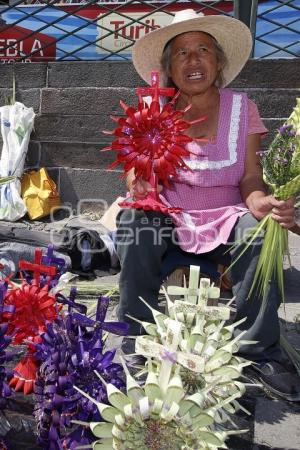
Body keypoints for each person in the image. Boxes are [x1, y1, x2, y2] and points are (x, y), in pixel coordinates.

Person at [115, 9, 300, 401]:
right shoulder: (155, 109)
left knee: (257, 232)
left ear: (218, 64)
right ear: (168, 68)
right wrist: (139, 181)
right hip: (170, 213)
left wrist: (259, 200)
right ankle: (136, 335)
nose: (193, 59)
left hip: (227, 216)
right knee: (136, 223)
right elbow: (135, 173)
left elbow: (250, 176)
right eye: (181, 53)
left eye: (202, 49)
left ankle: (260, 350)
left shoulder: (241, 108)